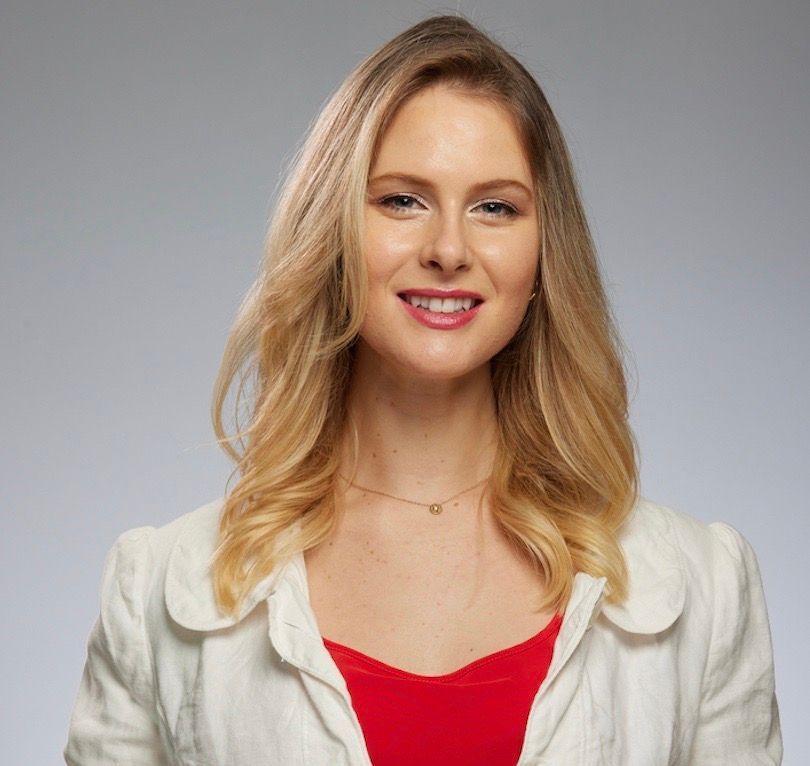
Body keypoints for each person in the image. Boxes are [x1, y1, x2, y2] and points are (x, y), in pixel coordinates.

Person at [64, 14, 781, 765]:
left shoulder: (704, 586)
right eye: (403, 200)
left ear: (544, 252)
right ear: (333, 230)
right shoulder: (159, 589)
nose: (447, 250)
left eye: (494, 207)